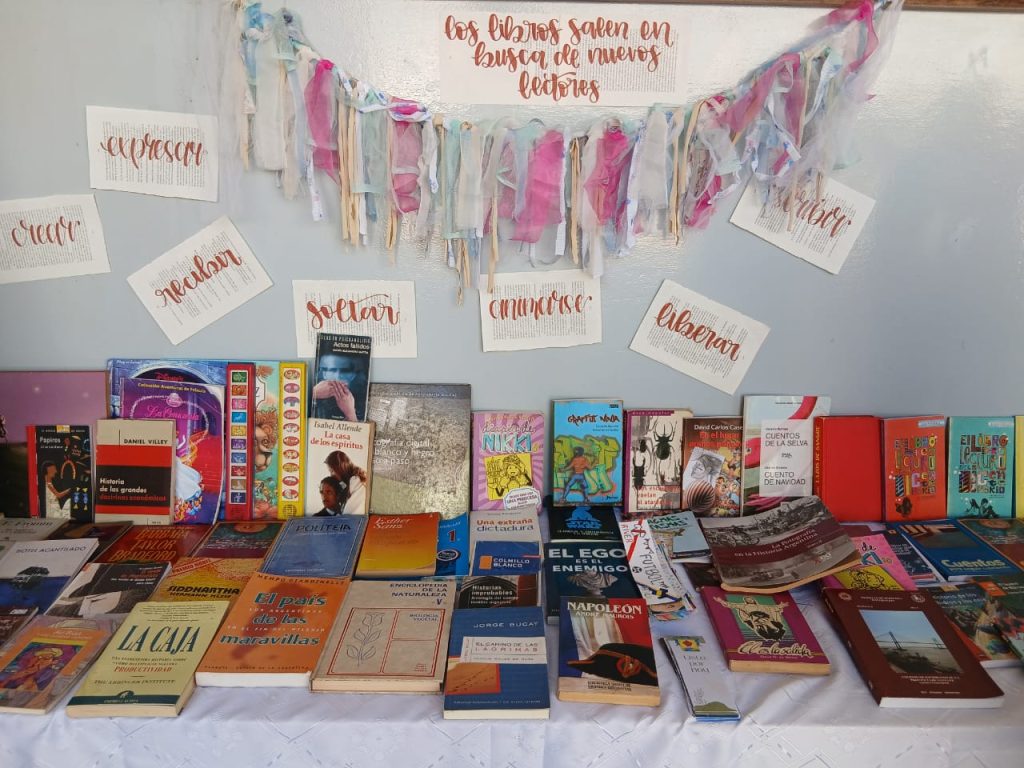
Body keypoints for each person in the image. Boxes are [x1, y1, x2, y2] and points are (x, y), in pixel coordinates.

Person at [312, 352, 367, 421]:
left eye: (345, 371)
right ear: (324, 374)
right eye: (332, 370)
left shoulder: (363, 400)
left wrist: (350, 414)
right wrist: (313, 393)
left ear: (353, 375)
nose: (337, 376)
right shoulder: (314, 393)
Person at [324, 450, 368, 514]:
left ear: (339, 467)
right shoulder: (350, 482)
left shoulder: (356, 480)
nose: (331, 475)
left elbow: (350, 513)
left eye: (332, 471)